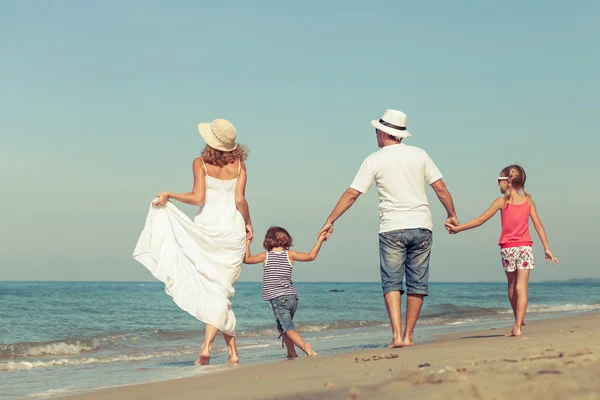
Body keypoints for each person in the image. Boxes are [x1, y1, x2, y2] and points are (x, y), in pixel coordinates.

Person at [318, 109, 458, 348]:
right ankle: (409, 336)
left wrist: (331, 219)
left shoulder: (374, 159)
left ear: (384, 132)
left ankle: (396, 337)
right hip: (422, 225)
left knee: (392, 282)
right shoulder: (420, 155)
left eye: (376, 130)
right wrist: (451, 214)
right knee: (418, 282)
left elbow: (353, 194)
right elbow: (440, 187)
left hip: (392, 228)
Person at [133, 118, 253, 366]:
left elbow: (198, 198)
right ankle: (229, 352)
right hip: (232, 232)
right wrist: (249, 223)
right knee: (222, 293)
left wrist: (170, 194)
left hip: (207, 232)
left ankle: (210, 347)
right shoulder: (240, 166)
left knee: (216, 293)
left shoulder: (200, 163)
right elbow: (240, 201)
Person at [445, 165, 559, 337]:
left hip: (508, 249)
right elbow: (539, 225)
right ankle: (518, 325)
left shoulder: (501, 202)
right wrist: (547, 248)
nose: (498, 183)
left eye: (499, 180)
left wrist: (458, 229)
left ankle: (517, 323)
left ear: (508, 182)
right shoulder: (528, 202)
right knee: (522, 287)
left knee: (513, 286)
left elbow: (480, 220)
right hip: (525, 248)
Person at [244, 226, 327, 358]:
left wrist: (248, 241)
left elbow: (246, 259)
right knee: (282, 327)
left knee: (288, 329)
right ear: (286, 239)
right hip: (292, 298)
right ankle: (291, 352)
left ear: (268, 241)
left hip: (278, 299)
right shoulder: (290, 255)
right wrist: (320, 240)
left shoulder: (265, 256)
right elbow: (311, 256)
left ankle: (306, 348)